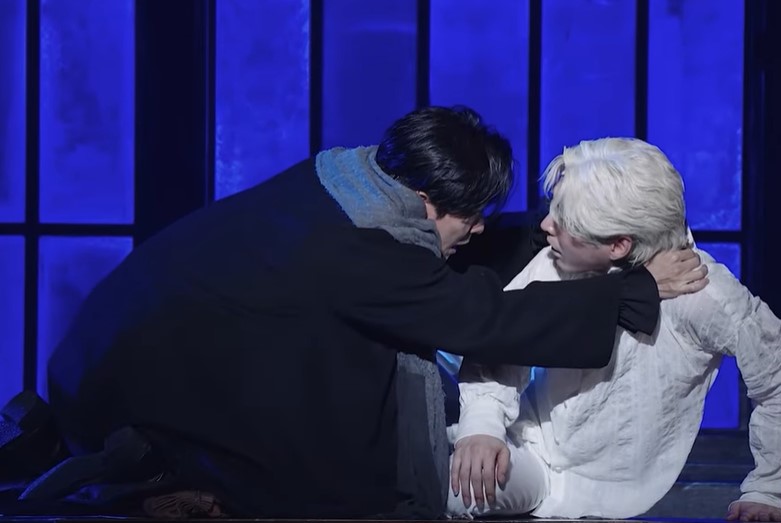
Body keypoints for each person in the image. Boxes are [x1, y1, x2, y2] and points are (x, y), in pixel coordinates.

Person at [39, 108, 707, 518]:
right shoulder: (357, 251)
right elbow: (479, 320)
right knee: (363, 473)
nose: (479, 230)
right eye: (473, 215)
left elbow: (446, 254)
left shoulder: (345, 181)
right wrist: (633, 289)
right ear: (428, 200)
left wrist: (553, 236)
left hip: (120, 360)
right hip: (132, 406)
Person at [448, 137, 781, 522]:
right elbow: (502, 345)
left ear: (618, 245)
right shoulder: (551, 262)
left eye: (564, 221)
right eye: (552, 209)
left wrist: (768, 490)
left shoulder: (697, 290)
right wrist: (483, 426)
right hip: (530, 451)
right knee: (436, 489)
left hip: (615, 489)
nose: (544, 225)